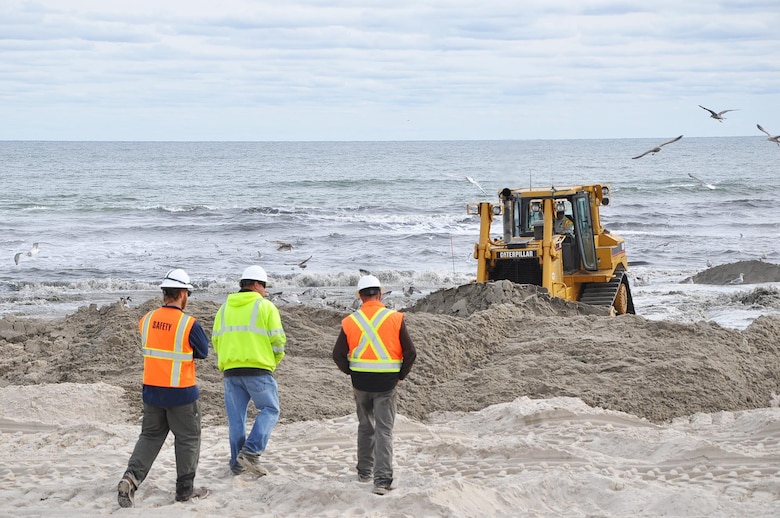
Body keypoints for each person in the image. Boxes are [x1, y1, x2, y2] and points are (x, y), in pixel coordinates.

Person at [117, 268, 209, 508]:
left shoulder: (146, 319)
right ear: (181, 294)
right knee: (188, 438)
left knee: (150, 436)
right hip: (181, 392)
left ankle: (130, 479)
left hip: (152, 391)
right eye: (187, 292)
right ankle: (184, 491)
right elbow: (202, 352)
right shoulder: (189, 323)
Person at [332, 275, 417, 495]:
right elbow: (410, 353)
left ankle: (364, 472)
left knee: (365, 427)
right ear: (380, 294)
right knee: (384, 431)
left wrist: (351, 372)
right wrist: (401, 375)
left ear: (360, 297)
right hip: (387, 383)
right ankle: (381, 481)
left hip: (360, 382)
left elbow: (338, 354)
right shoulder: (395, 318)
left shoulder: (351, 321)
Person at [211, 265, 286, 476]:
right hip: (258, 369)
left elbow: (216, 340)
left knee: (236, 420)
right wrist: (272, 361)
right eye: (264, 286)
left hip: (231, 371)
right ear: (255, 285)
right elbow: (278, 341)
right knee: (270, 410)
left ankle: (237, 464)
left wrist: (228, 360)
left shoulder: (224, 308)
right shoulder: (265, 307)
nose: (266, 291)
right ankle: (251, 451)